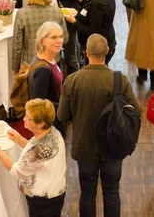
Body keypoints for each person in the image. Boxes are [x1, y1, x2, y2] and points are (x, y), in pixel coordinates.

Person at [58, 34, 140, 217]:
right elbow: (137, 110)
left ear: (86, 53)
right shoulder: (120, 80)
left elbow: (62, 115)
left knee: (87, 193)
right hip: (113, 146)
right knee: (112, 192)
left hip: (84, 147)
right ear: (108, 52)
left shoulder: (72, 80)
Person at [0, 99, 66, 216]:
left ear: (41, 123)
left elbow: (17, 171)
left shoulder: (40, 149)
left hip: (43, 201)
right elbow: (38, 156)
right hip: (54, 194)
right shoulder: (53, 132)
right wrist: (19, 139)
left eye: (28, 117)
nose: (23, 119)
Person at [11, 0, 69, 72]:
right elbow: (65, 38)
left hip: (30, 64)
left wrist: (15, 68)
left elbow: (17, 46)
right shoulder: (57, 12)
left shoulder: (22, 14)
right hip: (53, 62)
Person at [64, 0, 116, 64]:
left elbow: (93, 31)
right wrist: (79, 1)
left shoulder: (100, 3)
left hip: (98, 48)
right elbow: (89, 9)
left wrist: (73, 21)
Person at [28, 21, 65, 107]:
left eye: (60, 37)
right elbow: (39, 103)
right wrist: (65, 106)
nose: (59, 41)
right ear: (42, 41)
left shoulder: (50, 59)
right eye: (54, 37)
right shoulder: (42, 70)